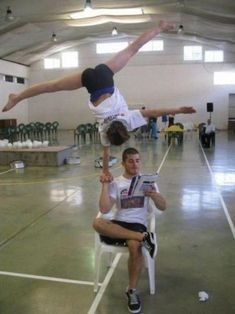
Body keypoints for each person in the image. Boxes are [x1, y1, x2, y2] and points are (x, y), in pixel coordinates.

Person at [2, 20, 196, 174]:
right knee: (51, 86)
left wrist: (179, 110)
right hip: (91, 85)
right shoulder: (104, 131)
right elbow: (105, 153)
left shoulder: (128, 121)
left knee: (133, 48)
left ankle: (160, 27)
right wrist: (104, 172)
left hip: (105, 78)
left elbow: (153, 112)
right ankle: (17, 97)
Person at [93, 147, 166, 313]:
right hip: (118, 223)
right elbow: (104, 209)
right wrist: (105, 186)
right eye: (131, 161)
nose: (135, 164)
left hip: (137, 223)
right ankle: (144, 238)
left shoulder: (148, 182)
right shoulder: (116, 183)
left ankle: (132, 291)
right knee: (97, 223)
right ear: (123, 163)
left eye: (138, 160)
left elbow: (163, 206)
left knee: (134, 247)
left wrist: (154, 195)